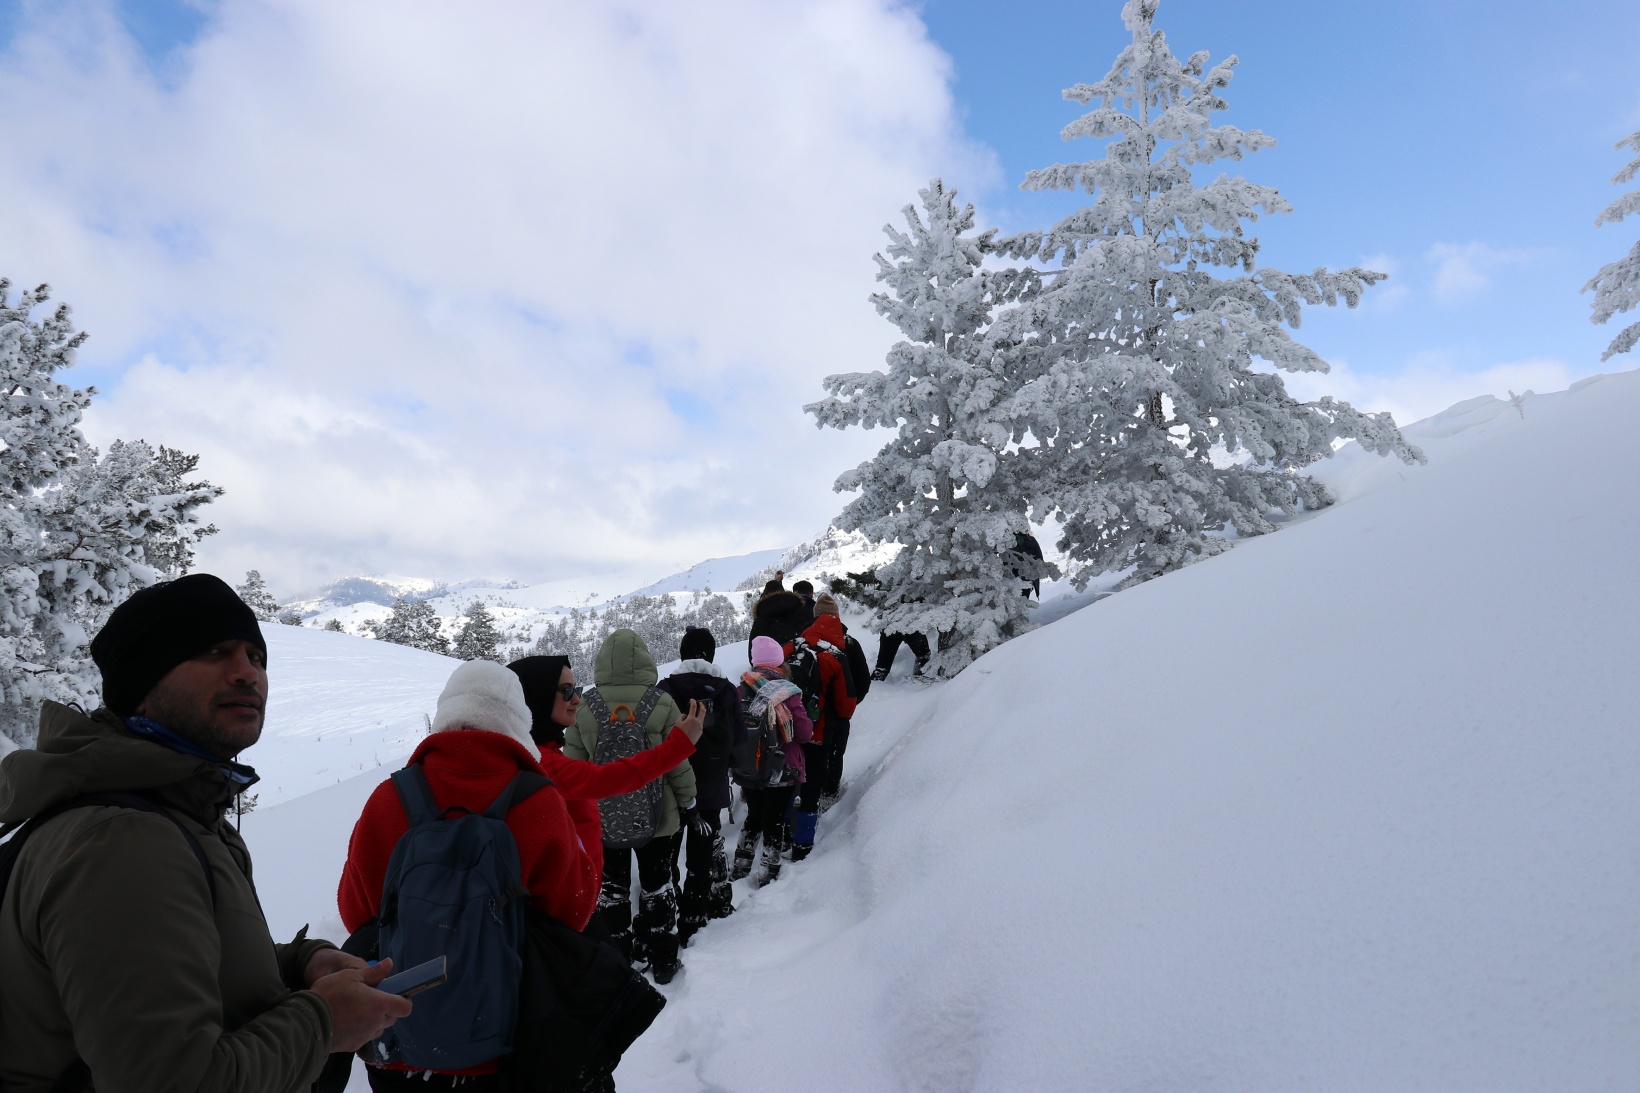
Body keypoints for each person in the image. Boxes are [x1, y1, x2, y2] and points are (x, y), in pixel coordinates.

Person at [0, 574, 410, 1093]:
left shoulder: (179, 812)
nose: (247, 673)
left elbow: (177, 964)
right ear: (141, 687)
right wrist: (323, 1023)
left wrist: (300, 964)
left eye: (256, 657)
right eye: (214, 651)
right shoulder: (124, 841)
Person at [338, 660, 600, 1090]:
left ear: (446, 716)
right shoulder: (540, 802)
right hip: (507, 1040)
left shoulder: (390, 798)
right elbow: (574, 912)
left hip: (401, 1040)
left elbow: (357, 913)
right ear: (517, 721)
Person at [505, 655, 703, 945]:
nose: (576, 700)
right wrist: (678, 747)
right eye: (566, 691)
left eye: (577, 689)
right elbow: (602, 778)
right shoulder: (538, 761)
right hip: (565, 912)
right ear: (534, 695)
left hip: (576, 887)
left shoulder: (536, 751)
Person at [564, 630, 698, 984]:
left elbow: (573, 766)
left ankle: (617, 957)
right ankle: (664, 957)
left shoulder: (585, 707)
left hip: (602, 818)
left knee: (611, 890)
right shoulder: (662, 703)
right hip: (658, 815)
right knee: (658, 884)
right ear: (645, 662)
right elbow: (676, 761)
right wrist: (688, 799)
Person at [654, 626, 743, 945]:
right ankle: (695, 916)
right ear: (712, 654)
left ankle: (671, 908)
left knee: (668, 851)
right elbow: (740, 738)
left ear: (682, 654)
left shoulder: (665, 688)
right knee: (702, 853)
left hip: (672, 787)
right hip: (712, 785)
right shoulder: (727, 690)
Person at [731, 636, 813, 886]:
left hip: (749, 768)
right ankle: (768, 870)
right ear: (780, 662)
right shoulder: (786, 691)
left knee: (754, 814)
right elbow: (803, 732)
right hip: (780, 767)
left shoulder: (741, 688)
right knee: (775, 819)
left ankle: (741, 863)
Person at [786, 597, 858, 861]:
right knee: (812, 786)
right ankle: (802, 844)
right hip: (819, 732)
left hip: (788, 731)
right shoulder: (835, 656)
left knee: (786, 782)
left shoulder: (792, 648)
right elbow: (846, 706)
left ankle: (780, 834)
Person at [812, 593, 870, 810]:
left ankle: (810, 794)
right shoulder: (849, 643)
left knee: (813, 755)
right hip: (839, 713)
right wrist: (850, 703)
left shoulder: (804, 642)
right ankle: (829, 794)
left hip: (810, 714)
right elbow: (863, 680)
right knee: (835, 754)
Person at [748, 579, 812, 659]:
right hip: (804, 663)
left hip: (773, 667)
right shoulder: (802, 611)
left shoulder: (761, 620)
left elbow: (753, 656)